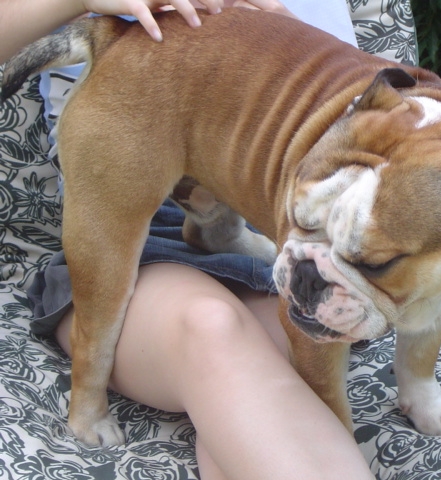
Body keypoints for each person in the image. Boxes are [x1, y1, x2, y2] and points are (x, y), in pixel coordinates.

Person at [0, 1, 375, 479]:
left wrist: (286, 43)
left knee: (269, 387)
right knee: (213, 328)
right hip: (124, 231)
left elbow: (383, 108)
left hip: (284, 242)